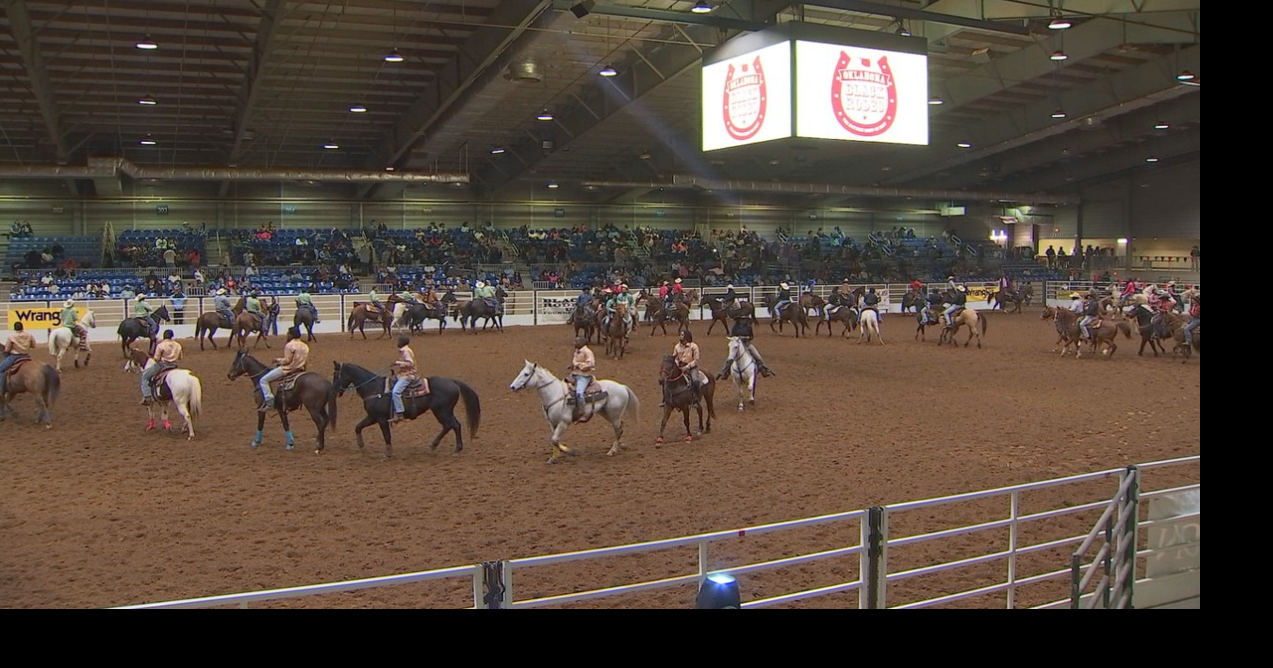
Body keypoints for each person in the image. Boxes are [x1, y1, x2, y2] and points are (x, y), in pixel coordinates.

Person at [258, 327, 309, 412]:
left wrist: (277, 360)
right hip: (300, 369)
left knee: (263, 380)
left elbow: (287, 360)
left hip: (288, 369)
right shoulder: (305, 346)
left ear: (291, 335)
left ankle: (269, 400)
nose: (287, 335)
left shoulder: (289, 345)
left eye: (288, 334)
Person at [140, 330, 182, 405]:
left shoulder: (161, 345)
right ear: (172, 336)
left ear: (164, 336)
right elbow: (180, 357)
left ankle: (147, 397)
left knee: (145, 376)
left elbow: (156, 358)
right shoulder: (178, 345)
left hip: (163, 365)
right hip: (174, 365)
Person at [390, 335, 426, 424]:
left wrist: (397, 363)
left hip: (407, 376)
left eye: (399, 341)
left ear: (402, 342)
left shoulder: (406, 351)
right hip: (402, 374)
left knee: (396, 392)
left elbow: (410, 363)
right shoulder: (404, 351)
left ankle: (400, 413)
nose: (397, 343)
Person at [664, 329, 701, 407]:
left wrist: (686, 367)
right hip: (679, 367)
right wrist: (677, 365)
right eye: (680, 335)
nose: (680, 336)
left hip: (691, 367)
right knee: (667, 379)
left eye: (682, 335)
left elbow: (696, 360)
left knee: (695, 380)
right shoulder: (677, 347)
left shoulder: (694, 346)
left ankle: (696, 399)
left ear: (686, 337)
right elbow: (675, 358)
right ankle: (665, 399)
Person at [0, 322, 37, 397]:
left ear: (15, 328)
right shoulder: (29, 335)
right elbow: (34, 345)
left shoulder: (11, 336)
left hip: (15, 356)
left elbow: (7, 349)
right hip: (26, 356)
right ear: (22, 327)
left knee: (1, 369)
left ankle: (0, 389)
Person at [569, 336, 596, 423]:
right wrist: (573, 365)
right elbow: (574, 361)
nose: (574, 343)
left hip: (583, 376)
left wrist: (578, 365)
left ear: (582, 343)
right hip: (574, 375)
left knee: (579, 393)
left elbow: (591, 364)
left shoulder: (588, 352)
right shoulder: (576, 352)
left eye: (576, 341)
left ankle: (582, 413)